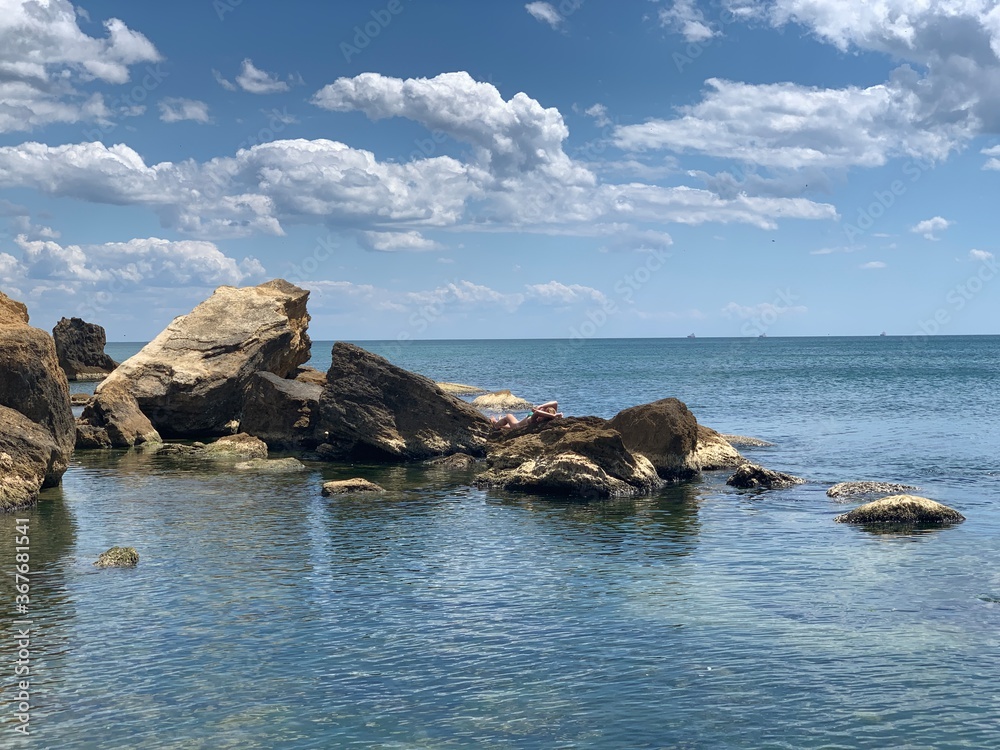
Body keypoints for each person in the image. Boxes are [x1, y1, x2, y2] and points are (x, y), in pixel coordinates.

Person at [491, 400, 563, 430]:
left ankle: (496, 425)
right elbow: (555, 403)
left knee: (508, 416)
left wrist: (553, 416)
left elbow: (537, 412)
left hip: (516, 426)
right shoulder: (544, 417)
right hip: (519, 423)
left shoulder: (534, 420)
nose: (542, 410)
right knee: (507, 426)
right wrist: (541, 406)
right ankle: (501, 424)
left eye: (544, 412)